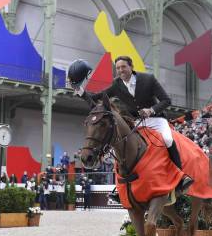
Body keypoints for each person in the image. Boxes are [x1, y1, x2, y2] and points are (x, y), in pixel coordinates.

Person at [68, 56, 194, 198]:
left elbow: (166, 100)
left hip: (156, 118)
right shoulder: (117, 84)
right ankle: (121, 185)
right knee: (122, 144)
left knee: (167, 139)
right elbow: (96, 97)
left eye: (123, 67)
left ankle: (181, 176)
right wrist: (79, 90)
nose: (121, 70)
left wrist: (151, 110)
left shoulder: (148, 79)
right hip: (136, 121)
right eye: (118, 68)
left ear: (131, 67)